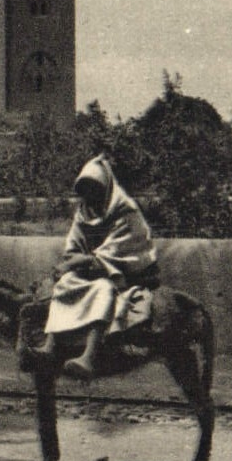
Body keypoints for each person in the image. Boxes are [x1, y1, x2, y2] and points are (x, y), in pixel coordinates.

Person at [37, 155, 158, 380]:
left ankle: (89, 356)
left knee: (103, 289)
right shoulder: (84, 212)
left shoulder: (125, 210)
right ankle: (51, 343)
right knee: (65, 283)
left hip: (122, 271)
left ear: (105, 187)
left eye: (94, 188)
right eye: (85, 189)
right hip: (92, 269)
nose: (89, 195)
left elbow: (119, 250)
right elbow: (73, 244)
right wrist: (72, 261)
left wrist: (79, 262)